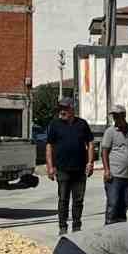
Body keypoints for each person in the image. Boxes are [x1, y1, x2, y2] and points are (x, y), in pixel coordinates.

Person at [43, 97, 94, 236]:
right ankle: (63, 227)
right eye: (60, 108)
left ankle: (77, 227)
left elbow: (90, 143)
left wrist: (90, 162)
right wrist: (50, 166)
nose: (62, 111)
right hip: (62, 169)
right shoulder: (55, 124)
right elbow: (49, 146)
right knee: (63, 199)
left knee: (78, 200)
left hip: (79, 169)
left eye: (65, 108)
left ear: (72, 109)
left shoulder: (82, 124)